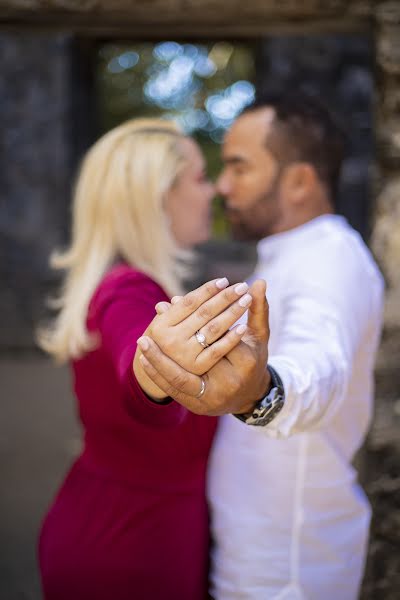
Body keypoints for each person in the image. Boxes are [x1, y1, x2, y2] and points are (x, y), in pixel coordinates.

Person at [136, 94, 385, 599]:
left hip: (287, 571)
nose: (224, 185)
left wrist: (263, 392)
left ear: (298, 180)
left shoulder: (330, 261)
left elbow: (321, 361)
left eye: (239, 167)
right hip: (261, 556)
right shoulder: (291, 255)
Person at [37, 118, 256, 600]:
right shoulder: (128, 291)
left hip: (114, 525)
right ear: (157, 197)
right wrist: (159, 373)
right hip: (132, 551)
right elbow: (138, 367)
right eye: (199, 178)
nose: (214, 191)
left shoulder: (125, 284)